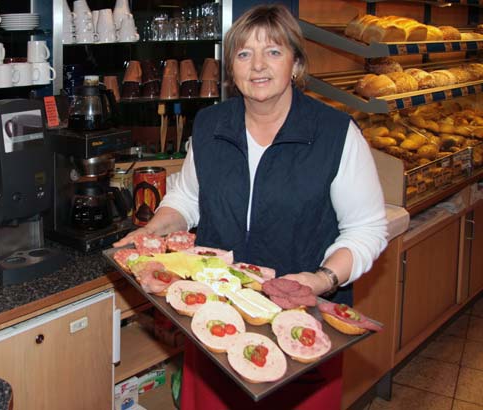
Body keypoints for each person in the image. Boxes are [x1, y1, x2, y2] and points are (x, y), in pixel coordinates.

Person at [115, 4, 388, 409]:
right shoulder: (210, 126)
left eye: (274, 52)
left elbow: (367, 229)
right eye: (244, 54)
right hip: (215, 320)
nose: (258, 65)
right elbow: (188, 198)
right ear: (231, 68)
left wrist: (320, 279)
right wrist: (155, 229)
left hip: (297, 329)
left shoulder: (335, 134)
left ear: (296, 62)